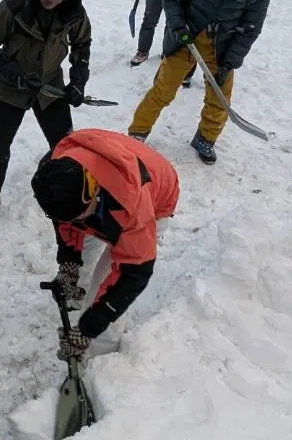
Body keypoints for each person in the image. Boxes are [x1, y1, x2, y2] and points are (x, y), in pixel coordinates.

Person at [30, 130, 180, 358]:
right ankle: (76, 289)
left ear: (93, 191)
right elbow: (66, 222)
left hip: (155, 193)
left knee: (106, 278)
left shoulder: (133, 206)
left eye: (79, 217)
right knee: (81, 240)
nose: (75, 223)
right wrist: (69, 260)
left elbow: (133, 272)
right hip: (111, 175)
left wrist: (91, 325)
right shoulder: (55, 173)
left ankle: (98, 356)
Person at [128, 0, 272, 164]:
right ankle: (138, 130)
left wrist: (230, 62)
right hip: (187, 38)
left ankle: (206, 138)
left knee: (220, 96)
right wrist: (178, 26)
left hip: (222, 46)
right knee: (163, 89)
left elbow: (250, 28)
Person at [0, 0, 91, 217]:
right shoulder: (11, 9)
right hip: (11, 87)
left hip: (51, 87)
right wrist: (14, 73)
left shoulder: (74, 13)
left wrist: (78, 82)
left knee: (65, 143)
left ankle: (67, 191)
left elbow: (82, 46)